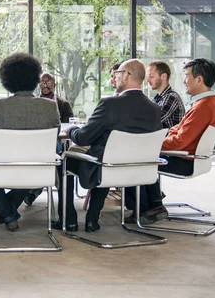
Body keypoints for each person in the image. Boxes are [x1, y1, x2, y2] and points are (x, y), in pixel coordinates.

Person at [60, 59, 161, 232]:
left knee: (64, 163)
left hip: (106, 168)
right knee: (106, 156)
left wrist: (71, 130)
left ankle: (69, 220)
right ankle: (92, 220)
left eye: (118, 74)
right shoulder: (154, 109)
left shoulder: (109, 104)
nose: (115, 78)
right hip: (139, 171)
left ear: (127, 75)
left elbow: (83, 138)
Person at [127, 58, 215, 223]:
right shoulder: (207, 103)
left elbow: (179, 141)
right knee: (140, 156)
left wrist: (150, 144)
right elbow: (177, 129)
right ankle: (154, 205)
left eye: (187, 76)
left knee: (133, 160)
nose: (184, 81)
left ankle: (147, 209)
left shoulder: (204, 107)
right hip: (186, 156)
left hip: (185, 160)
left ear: (199, 79)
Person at [0, 53, 60, 232]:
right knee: (29, 165)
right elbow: (56, 134)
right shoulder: (50, 106)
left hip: (3, 167)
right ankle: (7, 211)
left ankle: (7, 214)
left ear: (7, 79)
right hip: (39, 169)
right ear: (35, 79)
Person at [24, 72, 74, 206]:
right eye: (42, 82)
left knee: (52, 152)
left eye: (48, 82)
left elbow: (68, 127)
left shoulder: (63, 105)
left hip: (56, 143)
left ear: (54, 85)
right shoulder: (32, 104)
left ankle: (34, 190)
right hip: (35, 142)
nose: (45, 85)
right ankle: (36, 187)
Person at [146, 60, 186, 129]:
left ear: (164, 76)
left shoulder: (171, 97)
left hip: (169, 139)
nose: (148, 80)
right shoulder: (157, 98)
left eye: (151, 76)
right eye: (148, 77)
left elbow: (152, 120)